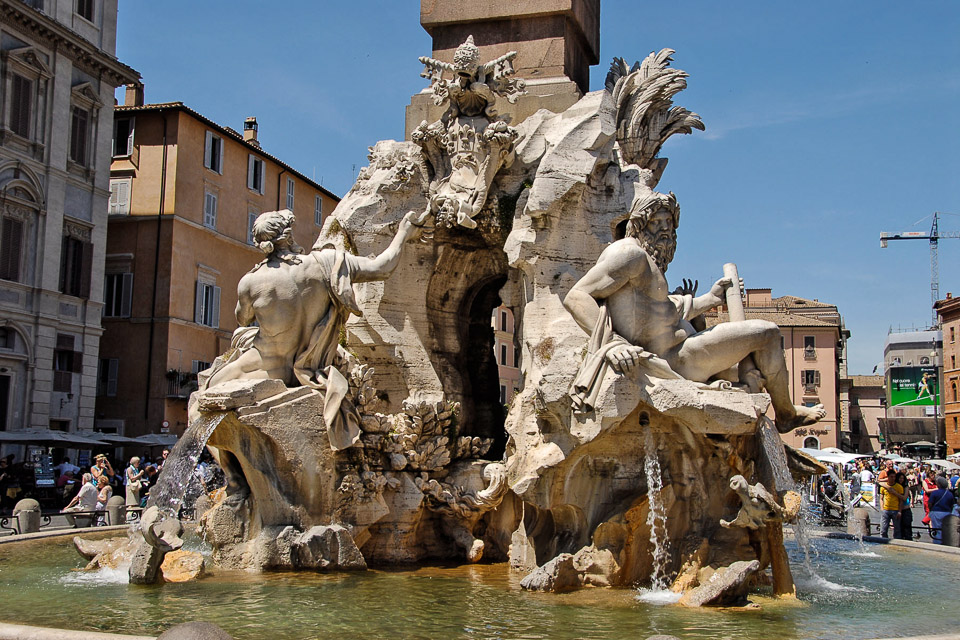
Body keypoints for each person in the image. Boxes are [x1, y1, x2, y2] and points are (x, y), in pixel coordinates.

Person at [562, 190, 827, 432]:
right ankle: (787, 414)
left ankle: (776, 408)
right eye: (657, 223)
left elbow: (665, 311)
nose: (665, 231)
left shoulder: (648, 264)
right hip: (676, 360)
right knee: (767, 332)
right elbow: (577, 296)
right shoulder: (630, 255)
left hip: (684, 350)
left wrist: (711, 299)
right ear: (639, 224)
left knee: (753, 371)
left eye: (669, 224)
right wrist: (613, 343)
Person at [202, 208, 430, 449]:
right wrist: (404, 232)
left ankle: (235, 478)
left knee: (204, 400)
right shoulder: (327, 263)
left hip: (268, 366)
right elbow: (381, 267)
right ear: (288, 236)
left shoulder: (250, 282)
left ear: (261, 244)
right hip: (310, 368)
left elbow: (243, 319)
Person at [927, 476, 956, 544]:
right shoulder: (949, 493)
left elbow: (930, 503)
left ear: (939, 484)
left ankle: (937, 542)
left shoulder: (935, 493)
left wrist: (931, 510)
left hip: (936, 511)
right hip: (947, 512)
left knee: (937, 528)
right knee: (945, 528)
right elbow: (952, 504)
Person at [878, 472, 906, 539]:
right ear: (888, 477)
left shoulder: (899, 487)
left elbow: (901, 500)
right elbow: (881, 498)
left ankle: (896, 543)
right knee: (883, 529)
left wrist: (900, 511)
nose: (893, 478)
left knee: (897, 530)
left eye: (894, 477)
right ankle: (883, 542)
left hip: (895, 510)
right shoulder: (883, 487)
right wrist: (882, 508)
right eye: (891, 477)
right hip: (886, 509)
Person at [896, 471, 913, 541]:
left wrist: (894, 492)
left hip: (906, 509)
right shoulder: (895, 486)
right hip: (897, 509)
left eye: (902, 478)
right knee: (899, 528)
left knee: (907, 526)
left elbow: (904, 498)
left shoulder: (906, 487)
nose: (901, 480)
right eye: (900, 478)